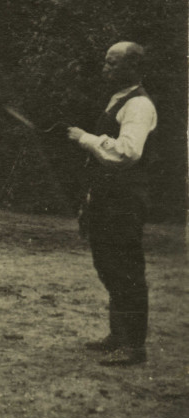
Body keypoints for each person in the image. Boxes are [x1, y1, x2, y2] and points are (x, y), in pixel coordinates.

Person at [66, 41, 157, 366]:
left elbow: (128, 152)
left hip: (125, 200)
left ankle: (133, 346)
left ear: (133, 67)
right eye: (106, 62)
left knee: (125, 269)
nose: (105, 69)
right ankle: (119, 336)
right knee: (108, 265)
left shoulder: (139, 105)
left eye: (112, 63)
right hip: (109, 198)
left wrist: (86, 139)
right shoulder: (118, 99)